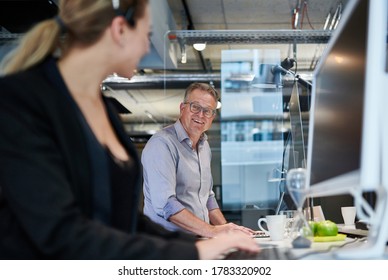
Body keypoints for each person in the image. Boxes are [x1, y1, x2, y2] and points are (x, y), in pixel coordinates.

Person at [0, 0, 260, 259]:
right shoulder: (22, 100)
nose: (148, 46)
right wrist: (192, 252)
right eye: (146, 35)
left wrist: (200, 244)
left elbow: (126, 221)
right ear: (119, 29)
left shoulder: (104, 110)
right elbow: (59, 232)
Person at [142, 83, 255, 238]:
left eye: (207, 111)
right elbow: (166, 205)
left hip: (197, 239)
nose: (201, 115)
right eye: (195, 107)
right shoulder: (162, 144)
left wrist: (227, 230)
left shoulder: (204, 146)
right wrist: (213, 231)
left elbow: (207, 197)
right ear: (182, 108)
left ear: (212, 117)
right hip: (166, 244)